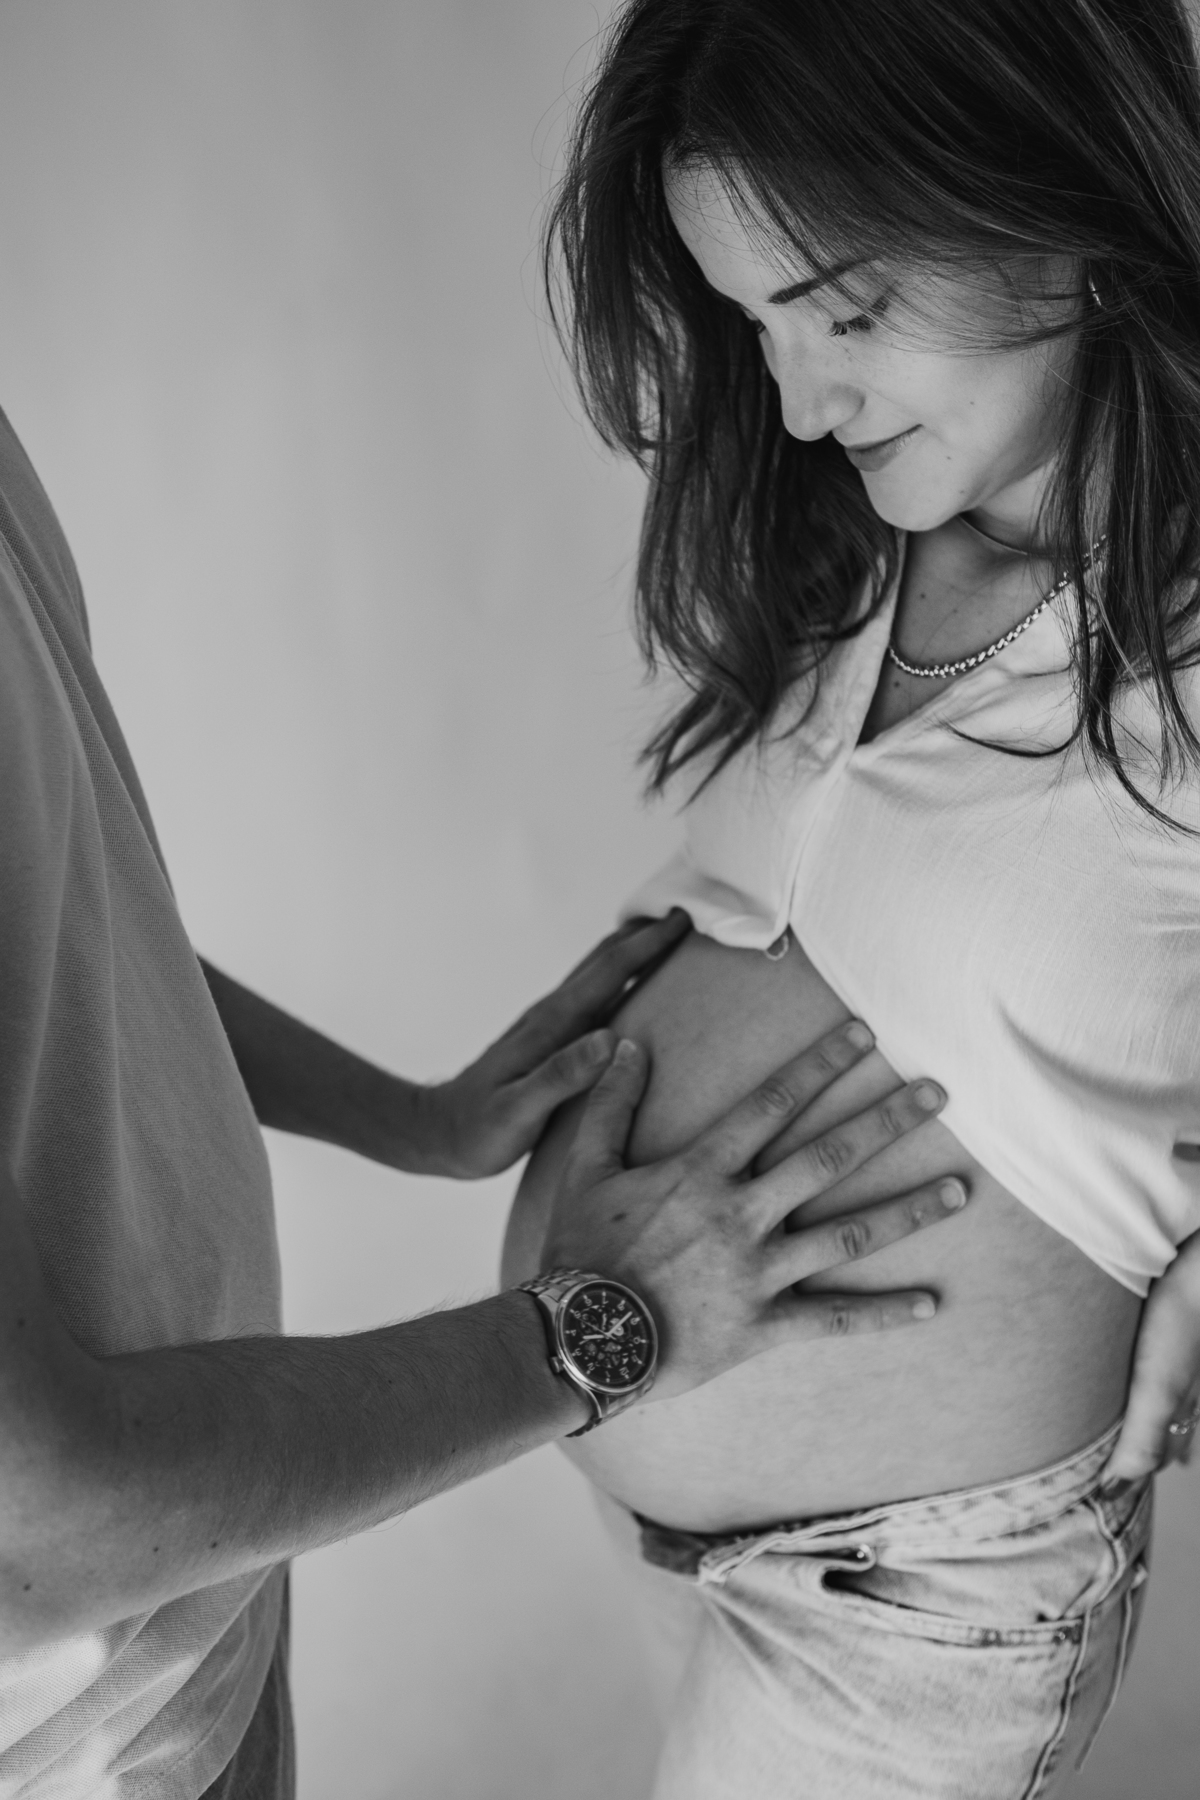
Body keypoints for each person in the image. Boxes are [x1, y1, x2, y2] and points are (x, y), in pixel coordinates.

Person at [0, 363, 975, 1800]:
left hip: (194, 1629)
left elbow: (57, 932)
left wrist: (409, 1117)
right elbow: (41, 1521)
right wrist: (601, 1327)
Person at [502, 1, 1200, 1794]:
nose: (801, 402)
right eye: (755, 322)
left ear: (1060, 200)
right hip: (658, 1513)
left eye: (847, 310)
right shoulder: (863, 538)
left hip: (909, 1599)